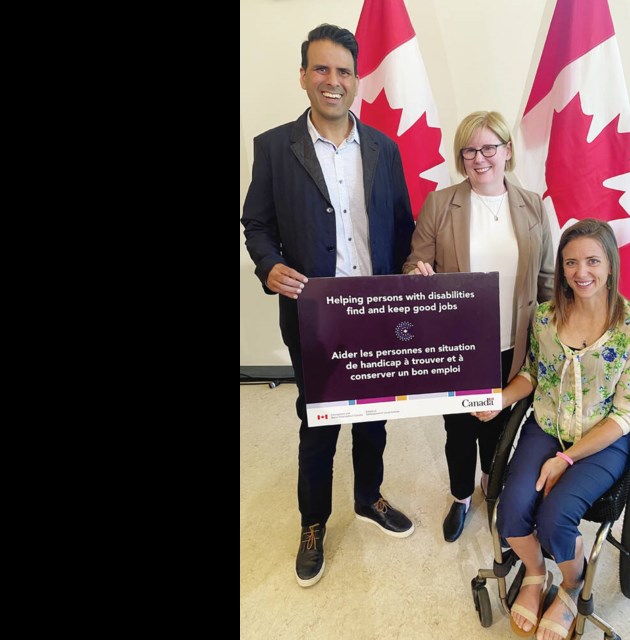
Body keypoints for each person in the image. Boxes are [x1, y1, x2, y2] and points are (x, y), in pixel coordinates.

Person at [241, 24, 417, 588]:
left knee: (373, 419)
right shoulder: (273, 147)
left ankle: (368, 497)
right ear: (303, 77)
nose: (333, 81)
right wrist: (268, 266)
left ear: (357, 79)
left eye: (343, 71)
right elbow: (257, 223)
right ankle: (313, 522)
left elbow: (404, 227)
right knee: (318, 424)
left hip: (377, 311)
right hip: (314, 316)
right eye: (321, 69)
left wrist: (415, 270)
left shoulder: (386, 151)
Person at [472, 219, 630, 639]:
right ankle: (537, 575)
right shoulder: (545, 318)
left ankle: (572, 585)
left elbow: (627, 414)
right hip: (547, 425)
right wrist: (500, 398)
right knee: (512, 512)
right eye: (571, 262)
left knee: (556, 520)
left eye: (592, 260)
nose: (581, 272)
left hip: (603, 438)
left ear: (610, 265)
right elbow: (535, 375)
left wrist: (566, 459)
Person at [403, 111, 554, 543]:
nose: (479, 158)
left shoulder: (532, 205)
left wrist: (547, 337)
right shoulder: (441, 203)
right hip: (458, 342)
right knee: (458, 426)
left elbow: (545, 277)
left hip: (513, 338)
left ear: (507, 151)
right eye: (470, 150)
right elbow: (414, 262)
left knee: (499, 421)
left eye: (489, 147)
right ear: (461, 156)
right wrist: (419, 273)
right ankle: (460, 495)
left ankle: (492, 481)